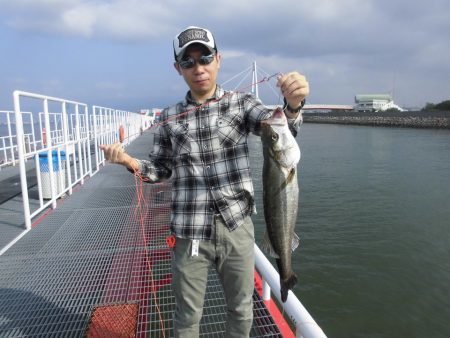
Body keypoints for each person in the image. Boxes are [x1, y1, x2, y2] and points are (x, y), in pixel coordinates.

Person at [100, 26, 309, 338]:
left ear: (218, 60)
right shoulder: (168, 116)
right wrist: (129, 162)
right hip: (188, 233)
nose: (199, 68)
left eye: (205, 58)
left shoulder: (243, 103)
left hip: (237, 229)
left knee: (241, 309)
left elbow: (278, 128)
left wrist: (293, 105)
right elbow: (159, 169)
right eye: (189, 62)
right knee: (187, 316)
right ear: (178, 69)